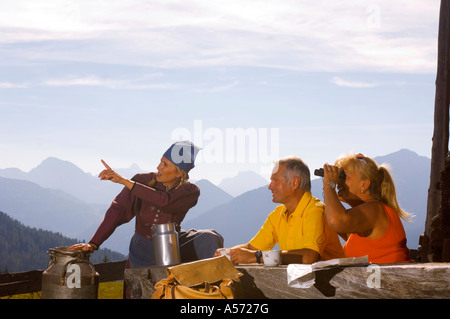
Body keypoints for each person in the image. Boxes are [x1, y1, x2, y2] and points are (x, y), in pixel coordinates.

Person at [69, 141, 223, 268]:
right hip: (142, 247)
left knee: (208, 237)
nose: (158, 168)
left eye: (165, 165)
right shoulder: (142, 180)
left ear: (179, 173)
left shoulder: (190, 191)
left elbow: (165, 201)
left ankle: (216, 287)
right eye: (160, 162)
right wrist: (93, 243)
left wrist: (124, 181)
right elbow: (117, 211)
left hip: (173, 244)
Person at [215, 156, 344, 265]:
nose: (270, 187)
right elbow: (251, 248)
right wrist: (229, 253)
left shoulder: (316, 211)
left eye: (275, 180)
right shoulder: (278, 214)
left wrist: (257, 256)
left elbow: (309, 257)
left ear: (295, 183)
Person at [322, 153, 413, 264]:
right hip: (381, 279)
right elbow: (335, 222)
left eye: (344, 177)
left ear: (364, 185)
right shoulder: (367, 216)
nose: (339, 181)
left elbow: (336, 221)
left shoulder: (374, 210)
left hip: (388, 279)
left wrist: (329, 184)